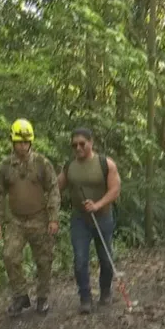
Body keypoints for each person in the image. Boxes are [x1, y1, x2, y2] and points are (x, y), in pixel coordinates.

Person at [0, 119, 60, 316]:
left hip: (39, 218)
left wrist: (53, 217)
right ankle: (20, 296)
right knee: (10, 256)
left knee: (44, 259)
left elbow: (53, 188)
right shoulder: (4, 166)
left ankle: (43, 297)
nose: (23, 145)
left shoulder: (42, 163)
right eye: (20, 142)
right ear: (13, 142)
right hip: (16, 221)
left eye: (26, 142)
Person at [57, 128, 121, 314]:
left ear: (91, 143)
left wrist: (98, 204)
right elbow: (57, 187)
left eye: (82, 144)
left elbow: (115, 190)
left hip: (103, 217)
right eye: (74, 145)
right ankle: (85, 298)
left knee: (106, 259)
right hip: (80, 219)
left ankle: (105, 292)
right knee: (80, 260)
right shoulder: (69, 167)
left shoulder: (105, 164)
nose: (78, 147)